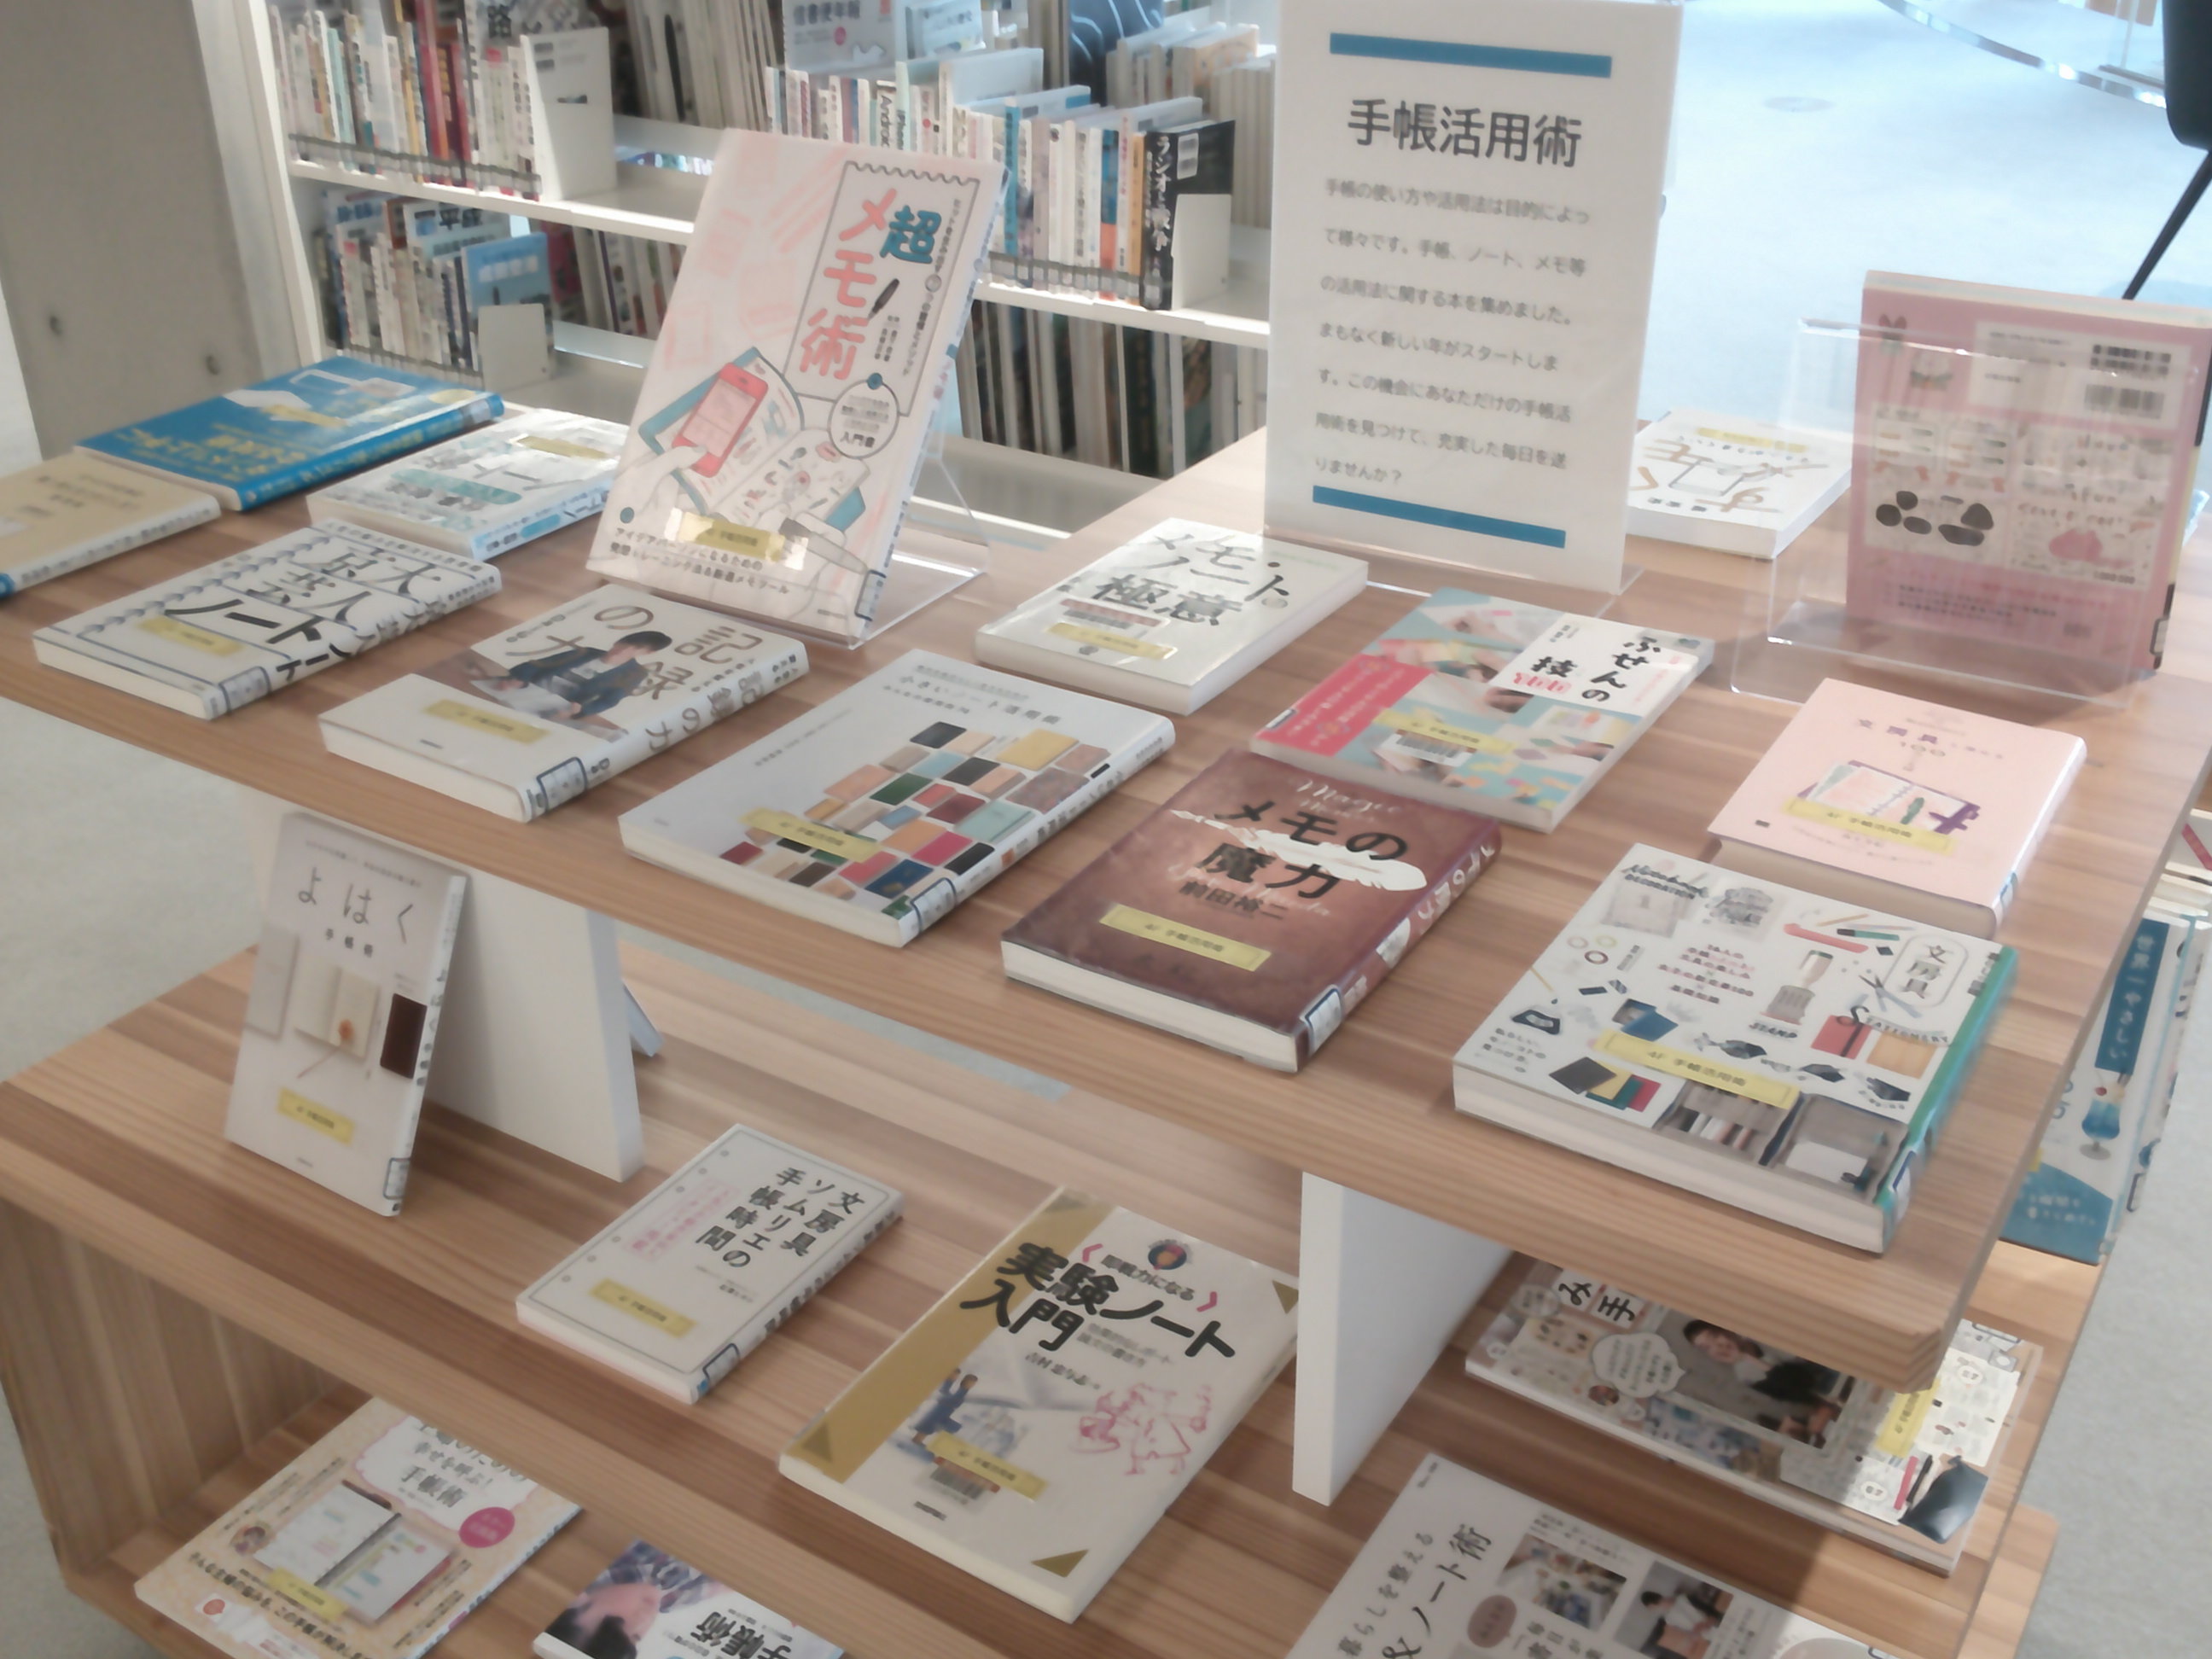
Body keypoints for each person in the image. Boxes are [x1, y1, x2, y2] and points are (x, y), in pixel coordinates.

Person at [487, 630, 673, 720]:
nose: (624, 650)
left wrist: (581, 710)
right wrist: (518, 679)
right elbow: (537, 665)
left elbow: (609, 701)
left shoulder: (633, 674)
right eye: (624, 643)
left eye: (636, 648)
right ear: (618, 641)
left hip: (555, 706)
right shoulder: (585, 652)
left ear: (647, 653)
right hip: (524, 689)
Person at [911, 1371, 978, 1447]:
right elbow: (946, 1395)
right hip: (941, 1410)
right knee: (928, 1426)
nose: (972, 1385)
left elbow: (952, 1399)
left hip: (945, 1411)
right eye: (971, 1382)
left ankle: (920, 1440)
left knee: (932, 1426)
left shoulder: (963, 1391)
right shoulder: (957, 1389)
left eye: (973, 1383)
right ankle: (917, 1440)